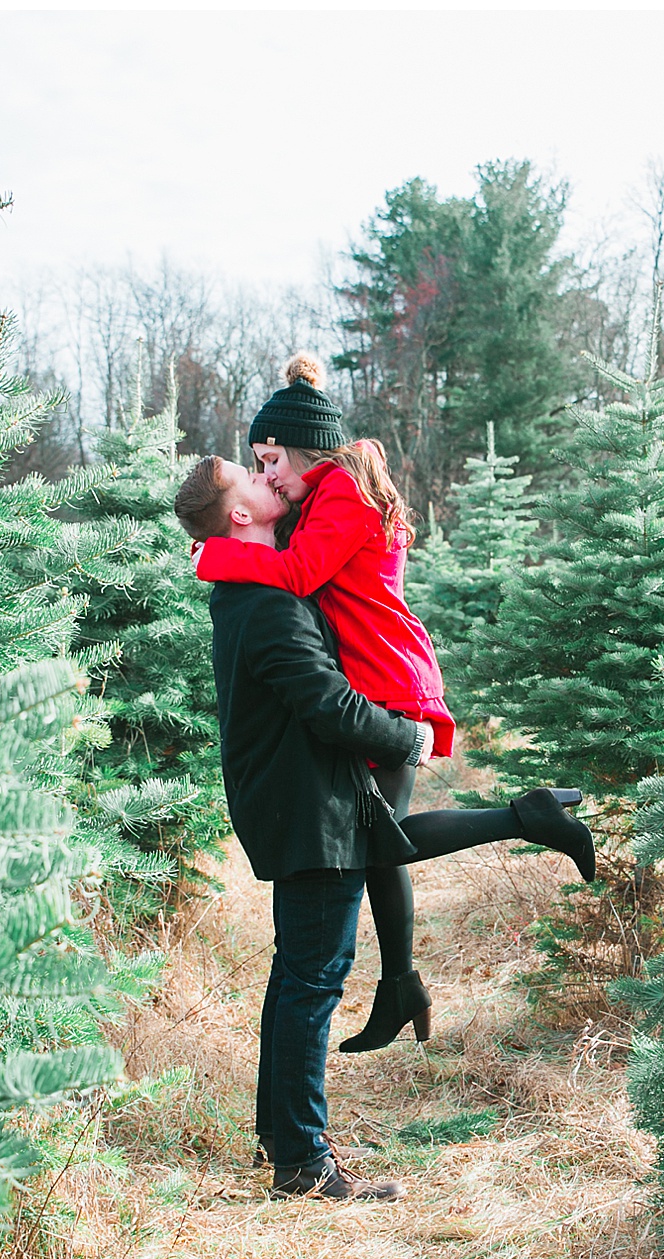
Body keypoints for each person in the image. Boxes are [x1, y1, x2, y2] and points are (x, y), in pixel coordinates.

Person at [174, 454, 593, 1202]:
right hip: (311, 814)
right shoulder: (266, 605)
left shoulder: (245, 588)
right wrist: (409, 739)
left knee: (293, 974)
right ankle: (303, 1162)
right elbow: (328, 704)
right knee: (313, 981)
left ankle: (281, 1133)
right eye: (253, 477)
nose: (269, 480)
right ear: (238, 514)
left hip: (301, 804)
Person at [193, 354, 577, 1054]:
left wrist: (213, 558)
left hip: (386, 680)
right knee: (378, 843)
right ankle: (401, 983)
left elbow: (301, 572)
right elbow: (286, 551)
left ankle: (528, 817)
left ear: (306, 447)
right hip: (378, 672)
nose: (268, 472)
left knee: (380, 841)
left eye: (272, 457)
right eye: (258, 463)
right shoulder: (326, 489)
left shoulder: (340, 490)